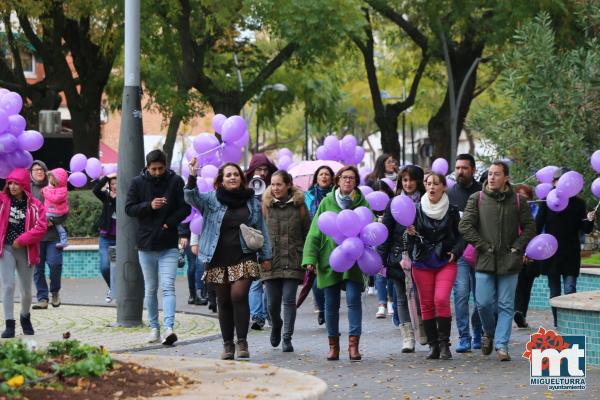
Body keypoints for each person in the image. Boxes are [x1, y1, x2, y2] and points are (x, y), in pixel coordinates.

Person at [185, 159, 272, 360]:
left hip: (244, 255)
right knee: (223, 301)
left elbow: (262, 230)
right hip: (216, 257)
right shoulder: (211, 199)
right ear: (221, 180)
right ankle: (227, 345)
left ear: (241, 179)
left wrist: (266, 255)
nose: (232, 177)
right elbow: (190, 196)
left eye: (236, 174)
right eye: (228, 175)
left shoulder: (252, 202)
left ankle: (242, 340)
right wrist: (191, 176)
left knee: (239, 295)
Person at [459, 161, 536, 361]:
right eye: (490, 174)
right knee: (483, 303)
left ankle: (502, 345)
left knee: (505, 305)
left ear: (506, 178)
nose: (492, 177)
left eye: (497, 174)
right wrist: (482, 245)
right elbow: (465, 226)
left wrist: (518, 247)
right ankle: (489, 332)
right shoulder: (477, 198)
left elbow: (529, 227)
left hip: (510, 261)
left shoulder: (518, 201)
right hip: (484, 260)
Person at [303, 165, 370, 362]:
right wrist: (309, 258)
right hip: (329, 259)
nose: (348, 180)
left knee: (353, 299)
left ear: (356, 182)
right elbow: (315, 231)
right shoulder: (326, 201)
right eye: (344, 177)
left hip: (355, 259)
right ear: (338, 180)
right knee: (330, 304)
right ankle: (333, 346)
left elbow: (371, 227)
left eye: (351, 178)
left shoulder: (362, 203)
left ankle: (353, 346)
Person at [125, 149, 190, 346]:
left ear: (166, 165)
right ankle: (154, 328)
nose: (157, 172)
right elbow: (129, 208)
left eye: (160, 168)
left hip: (168, 242)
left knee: (168, 286)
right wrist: (149, 206)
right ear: (147, 167)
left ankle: (169, 327)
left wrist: (169, 223)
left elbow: (185, 208)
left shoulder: (175, 181)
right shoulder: (138, 182)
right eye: (153, 169)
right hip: (146, 243)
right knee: (151, 288)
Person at [404, 172, 463, 360]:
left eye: (436, 183)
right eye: (428, 183)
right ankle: (433, 346)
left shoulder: (453, 210)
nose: (431, 187)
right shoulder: (415, 209)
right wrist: (410, 233)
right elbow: (406, 241)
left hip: (446, 261)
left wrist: (456, 251)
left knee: (441, 299)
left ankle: (445, 344)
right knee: (427, 304)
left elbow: (462, 235)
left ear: (444, 187)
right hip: (421, 263)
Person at [535, 168, 596, 327]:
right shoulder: (547, 201)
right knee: (554, 291)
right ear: (554, 183)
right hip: (551, 252)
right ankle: (558, 323)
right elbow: (537, 226)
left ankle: (571, 324)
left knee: (570, 289)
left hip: (570, 252)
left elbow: (585, 229)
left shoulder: (578, 203)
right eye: (557, 181)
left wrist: (590, 220)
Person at [262, 171, 311, 352]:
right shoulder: (266, 206)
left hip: (293, 258)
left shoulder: (300, 206)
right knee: (271, 304)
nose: (275, 188)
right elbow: (259, 233)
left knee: (289, 300)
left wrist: (308, 258)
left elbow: (308, 233)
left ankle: (287, 337)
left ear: (288, 184)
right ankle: (276, 324)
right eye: (273, 185)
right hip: (270, 260)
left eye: (279, 184)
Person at [379, 165, 426, 353]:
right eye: (404, 180)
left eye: (412, 180)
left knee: (421, 294)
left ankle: (422, 328)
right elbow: (385, 232)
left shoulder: (426, 201)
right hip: (399, 256)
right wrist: (382, 260)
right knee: (401, 297)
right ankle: (407, 336)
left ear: (418, 181)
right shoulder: (393, 203)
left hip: (422, 257)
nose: (408, 183)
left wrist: (418, 232)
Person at [0, 168, 47, 338]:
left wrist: (22, 240)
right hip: (5, 249)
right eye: (10, 183)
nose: (12, 186)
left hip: (26, 251)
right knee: (7, 286)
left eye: (16, 183)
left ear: (24, 185)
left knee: (26, 291)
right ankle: (9, 324)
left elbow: (41, 228)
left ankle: (25, 317)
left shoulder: (35, 205)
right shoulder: (2, 200)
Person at [447, 154, 483, 353]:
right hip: (459, 254)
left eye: (464, 168)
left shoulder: (483, 193)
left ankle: (478, 331)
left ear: (473, 170)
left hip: (480, 253)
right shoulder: (450, 194)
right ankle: (464, 337)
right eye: (458, 168)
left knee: (481, 299)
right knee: (460, 296)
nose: (460, 171)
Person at [245, 153, 277, 330]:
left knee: (269, 280)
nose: (263, 173)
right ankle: (257, 316)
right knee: (256, 279)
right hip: (251, 237)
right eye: (259, 169)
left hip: (270, 237)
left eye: (265, 169)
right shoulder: (244, 185)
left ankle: (269, 313)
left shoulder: (274, 187)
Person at [30, 160, 66, 310]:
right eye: (35, 169)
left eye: (41, 169)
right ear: (31, 173)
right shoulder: (27, 189)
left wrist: (53, 220)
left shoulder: (55, 185)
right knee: (37, 269)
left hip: (53, 236)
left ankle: (55, 291)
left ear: (45, 171)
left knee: (55, 264)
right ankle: (42, 298)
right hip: (35, 237)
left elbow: (65, 210)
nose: (38, 172)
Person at [304, 165, 335, 326]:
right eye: (321, 174)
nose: (324, 177)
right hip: (315, 240)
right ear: (316, 178)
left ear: (331, 178)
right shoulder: (308, 196)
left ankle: (330, 310)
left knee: (330, 279)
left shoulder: (336, 196)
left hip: (333, 241)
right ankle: (322, 308)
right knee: (316, 279)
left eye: (327, 174)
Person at [513, 184, 541, 328]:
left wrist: (529, 252)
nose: (524, 201)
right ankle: (517, 310)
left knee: (526, 284)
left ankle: (521, 314)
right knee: (517, 284)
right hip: (515, 252)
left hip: (532, 253)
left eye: (526, 198)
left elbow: (538, 233)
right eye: (521, 198)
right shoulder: (512, 212)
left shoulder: (536, 211)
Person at [371, 181, 397, 321]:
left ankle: (391, 301)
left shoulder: (394, 205)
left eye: (383, 192)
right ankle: (381, 303)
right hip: (377, 244)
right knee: (379, 273)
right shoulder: (369, 209)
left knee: (391, 274)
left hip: (392, 243)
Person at [92, 172, 117, 303]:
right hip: (106, 238)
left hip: (121, 239)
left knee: (118, 268)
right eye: (112, 184)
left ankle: (116, 290)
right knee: (105, 267)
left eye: (117, 183)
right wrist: (107, 177)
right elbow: (95, 189)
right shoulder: (106, 197)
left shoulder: (127, 197)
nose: (115, 186)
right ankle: (112, 288)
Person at [178, 221, 207, 305]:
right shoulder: (191, 207)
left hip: (205, 235)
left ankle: (201, 293)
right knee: (193, 265)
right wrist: (183, 235)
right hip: (189, 235)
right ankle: (193, 294)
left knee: (202, 265)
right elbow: (184, 214)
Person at [41, 168, 69, 249]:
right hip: (54, 211)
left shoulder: (62, 189)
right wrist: (47, 189)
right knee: (59, 227)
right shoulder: (58, 188)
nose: (50, 179)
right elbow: (48, 190)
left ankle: (46, 225)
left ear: (58, 180)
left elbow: (55, 199)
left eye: (51, 178)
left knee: (42, 217)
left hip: (55, 212)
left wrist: (45, 192)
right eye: (49, 178)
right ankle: (64, 242)